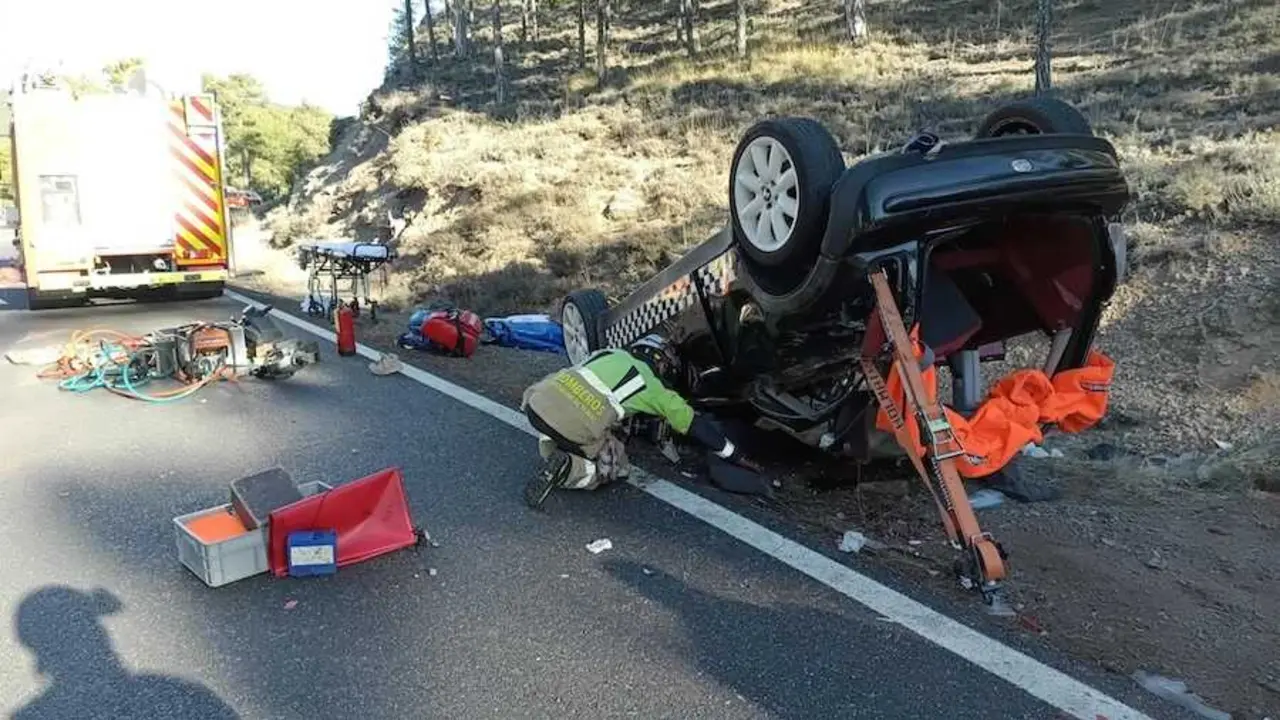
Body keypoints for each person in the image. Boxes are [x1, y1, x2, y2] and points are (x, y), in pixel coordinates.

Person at [521, 334, 758, 508]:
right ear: (664, 365)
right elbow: (695, 425)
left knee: (563, 418)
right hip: (574, 425)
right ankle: (567, 469)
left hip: (536, 403)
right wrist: (734, 454)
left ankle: (554, 450)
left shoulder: (610, 353)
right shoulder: (653, 388)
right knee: (615, 466)